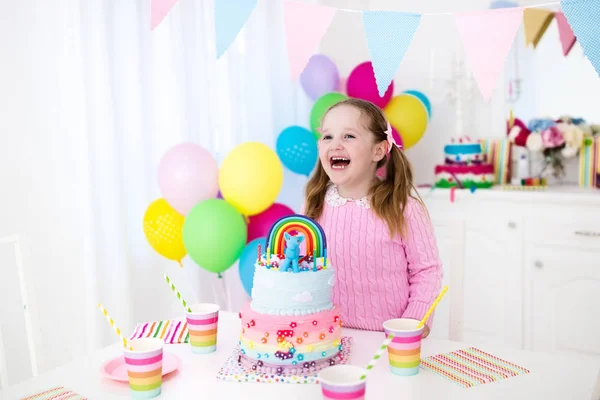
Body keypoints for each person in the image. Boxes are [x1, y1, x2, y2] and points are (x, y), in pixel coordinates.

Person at [302, 98, 443, 337]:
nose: (335, 144)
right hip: (327, 337)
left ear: (378, 150)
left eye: (348, 136)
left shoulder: (403, 209)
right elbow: (304, 268)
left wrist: (413, 323)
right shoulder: (314, 204)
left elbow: (427, 271)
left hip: (391, 340)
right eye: (327, 136)